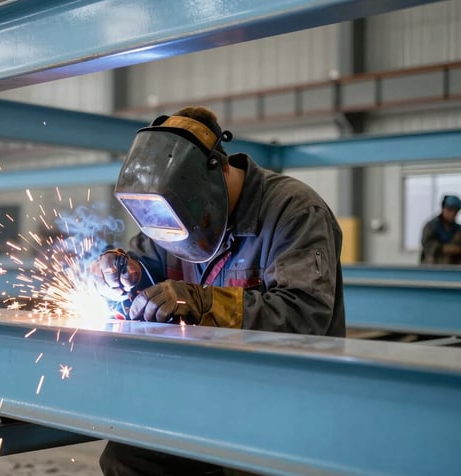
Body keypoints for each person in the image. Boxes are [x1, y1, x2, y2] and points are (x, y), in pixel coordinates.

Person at [90, 106, 346, 476]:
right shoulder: (171, 211)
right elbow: (148, 266)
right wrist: (124, 272)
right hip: (209, 393)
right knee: (126, 458)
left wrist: (204, 301)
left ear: (220, 169)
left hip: (286, 400)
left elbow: (305, 316)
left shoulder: (295, 211)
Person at [420, 194, 461, 265]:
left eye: (455, 211)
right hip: (433, 267)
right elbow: (427, 245)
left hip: (453, 268)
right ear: (443, 208)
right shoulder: (431, 226)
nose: (452, 213)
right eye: (450, 209)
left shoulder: (458, 229)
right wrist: (444, 248)